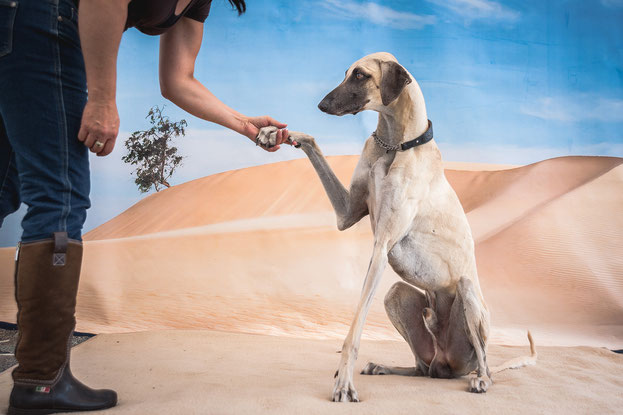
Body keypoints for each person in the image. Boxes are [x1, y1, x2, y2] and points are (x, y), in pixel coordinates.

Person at [0, 0, 291, 413]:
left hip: (22, 26)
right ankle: (40, 381)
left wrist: (243, 124)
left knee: (5, 185)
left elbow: (177, 80)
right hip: (43, 19)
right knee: (59, 195)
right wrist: (102, 98)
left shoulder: (199, 4)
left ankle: (39, 380)